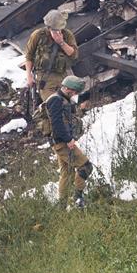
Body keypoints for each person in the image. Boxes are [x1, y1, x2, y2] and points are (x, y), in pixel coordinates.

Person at [43, 75, 94, 209]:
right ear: (68, 89)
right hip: (62, 143)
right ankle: (78, 199)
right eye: (74, 91)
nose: (75, 94)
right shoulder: (56, 100)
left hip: (61, 142)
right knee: (86, 167)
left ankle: (62, 207)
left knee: (67, 173)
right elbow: (57, 123)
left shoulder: (63, 99)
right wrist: (68, 139)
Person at [24, 9, 79, 101]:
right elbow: (29, 56)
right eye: (54, 29)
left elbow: (74, 55)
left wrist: (61, 42)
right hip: (45, 78)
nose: (57, 31)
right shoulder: (38, 35)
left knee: (67, 106)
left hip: (63, 76)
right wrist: (29, 76)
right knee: (52, 104)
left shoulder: (67, 35)